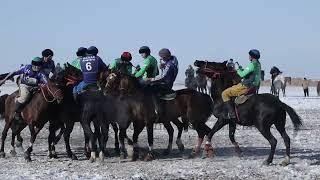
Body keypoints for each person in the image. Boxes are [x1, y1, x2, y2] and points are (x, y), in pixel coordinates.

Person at [0, 57, 48, 123]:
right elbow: (14, 72)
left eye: (39, 66)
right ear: (32, 64)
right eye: (35, 65)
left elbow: (46, 82)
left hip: (36, 87)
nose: (37, 67)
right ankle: (17, 112)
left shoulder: (41, 72)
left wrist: (44, 85)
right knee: (24, 97)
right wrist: (4, 79)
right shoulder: (26, 68)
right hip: (24, 85)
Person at [221, 49, 261, 119]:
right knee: (233, 86)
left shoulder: (252, 64)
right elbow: (248, 73)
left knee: (224, 93)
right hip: (254, 86)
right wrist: (242, 69)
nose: (249, 56)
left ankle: (231, 114)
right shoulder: (258, 63)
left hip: (246, 86)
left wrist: (238, 70)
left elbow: (242, 75)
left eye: (249, 55)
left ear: (252, 56)